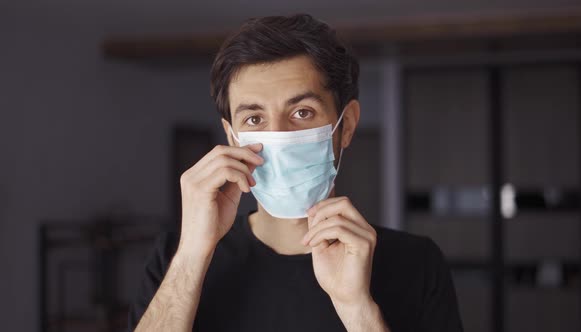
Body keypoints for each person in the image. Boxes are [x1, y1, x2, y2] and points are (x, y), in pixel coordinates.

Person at [128, 14, 463, 332]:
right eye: (255, 120)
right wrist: (191, 257)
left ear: (345, 125)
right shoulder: (177, 257)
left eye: (302, 112)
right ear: (232, 137)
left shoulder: (416, 264)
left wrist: (357, 308)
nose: (280, 137)